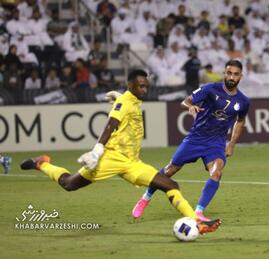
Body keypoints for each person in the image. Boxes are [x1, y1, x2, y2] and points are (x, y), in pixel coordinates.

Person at [20, 69, 221, 234]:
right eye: (140, 86)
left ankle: (197, 223)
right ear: (130, 85)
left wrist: (120, 97)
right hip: (110, 158)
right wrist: (97, 151)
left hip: (132, 163)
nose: (144, 89)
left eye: (146, 86)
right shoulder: (125, 102)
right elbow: (110, 125)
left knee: (169, 184)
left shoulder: (130, 99)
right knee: (69, 184)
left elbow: (125, 105)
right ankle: (42, 163)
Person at [130, 60, 250, 221]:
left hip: (216, 143)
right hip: (196, 138)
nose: (231, 77)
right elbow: (185, 101)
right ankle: (145, 198)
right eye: (229, 73)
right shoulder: (210, 89)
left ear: (240, 77)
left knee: (217, 173)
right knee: (170, 170)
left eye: (235, 74)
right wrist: (190, 107)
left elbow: (240, 121)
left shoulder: (243, 101)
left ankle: (198, 212)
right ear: (224, 73)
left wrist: (232, 144)